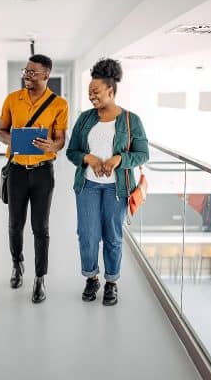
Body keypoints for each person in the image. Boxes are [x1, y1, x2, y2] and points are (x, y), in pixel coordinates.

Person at [66, 58, 149, 306]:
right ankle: (91, 278)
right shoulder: (85, 119)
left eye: (96, 92)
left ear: (110, 91)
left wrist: (117, 159)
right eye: (89, 92)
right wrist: (87, 158)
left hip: (117, 188)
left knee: (113, 237)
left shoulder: (131, 120)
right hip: (87, 186)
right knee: (88, 236)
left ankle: (111, 282)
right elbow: (72, 151)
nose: (92, 96)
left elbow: (143, 154)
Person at [0, 54, 68, 303]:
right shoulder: (11, 100)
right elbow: (1, 131)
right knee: (15, 225)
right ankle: (17, 264)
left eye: (33, 72)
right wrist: (14, 139)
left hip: (42, 171)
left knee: (41, 227)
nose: (27, 75)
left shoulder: (59, 104)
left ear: (46, 75)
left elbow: (60, 140)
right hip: (16, 170)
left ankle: (40, 278)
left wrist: (53, 145)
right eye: (25, 72)